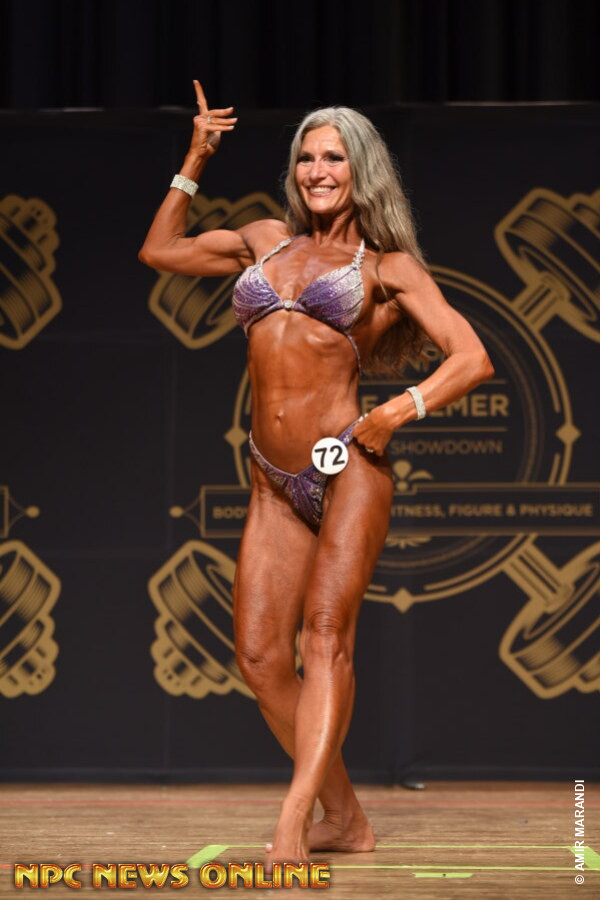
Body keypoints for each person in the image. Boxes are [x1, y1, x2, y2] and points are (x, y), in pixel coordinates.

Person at [139, 80, 494, 864]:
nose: (316, 171)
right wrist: (196, 159)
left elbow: (472, 357)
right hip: (272, 477)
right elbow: (160, 251)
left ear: (361, 169)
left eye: (333, 157)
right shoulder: (265, 239)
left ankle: (294, 820)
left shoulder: (388, 268)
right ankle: (348, 819)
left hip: (349, 472)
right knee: (262, 659)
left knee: (324, 638)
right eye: (306, 157)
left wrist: (397, 411)